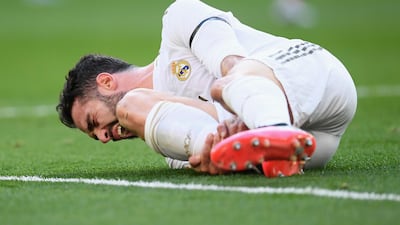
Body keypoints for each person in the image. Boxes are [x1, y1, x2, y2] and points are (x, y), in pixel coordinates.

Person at [56, 0, 357, 177]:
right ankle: (270, 143)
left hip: (310, 74)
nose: (103, 137)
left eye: (93, 123)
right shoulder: (170, 143)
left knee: (228, 82)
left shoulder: (177, 20)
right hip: (317, 143)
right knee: (143, 109)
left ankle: (273, 129)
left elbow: (232, 61)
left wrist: (229, 85)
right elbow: (202, 154)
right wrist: (212, 157)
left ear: (106, 82)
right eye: (95, 137)